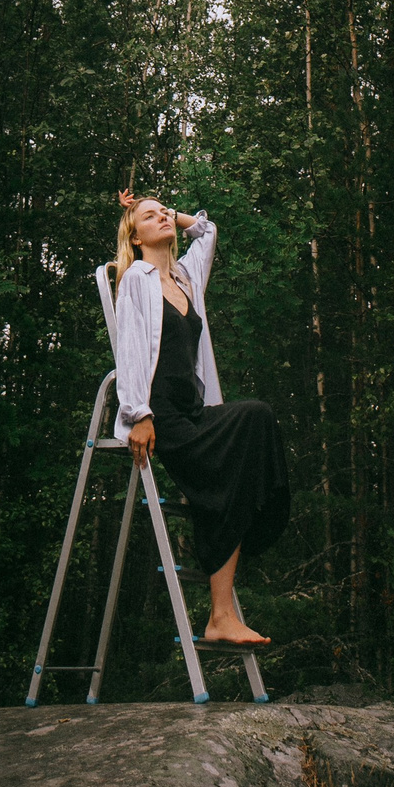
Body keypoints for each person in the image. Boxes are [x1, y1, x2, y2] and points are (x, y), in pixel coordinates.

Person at [94, 190, 290, 646]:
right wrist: (139, 414)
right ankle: (221, 616)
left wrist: (166, 212)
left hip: (195, 412)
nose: (162, 216)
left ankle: (221, 617)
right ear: (135, 236)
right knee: (233, 465)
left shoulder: (184, 277)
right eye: (150, 216)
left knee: (253, 428)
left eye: (164, 211)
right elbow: (129, 351)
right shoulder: (136, 279)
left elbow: (207, 230)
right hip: (163, 419)